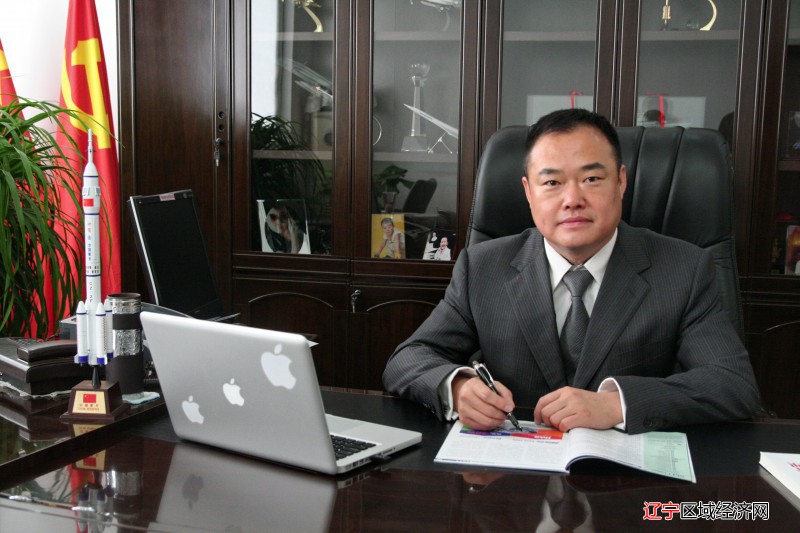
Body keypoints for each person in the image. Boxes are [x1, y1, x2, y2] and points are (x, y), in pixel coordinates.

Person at [383, 108, 760, 435]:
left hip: (625, 481)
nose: (572, 199)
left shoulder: (684, 269)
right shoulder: (483, 267)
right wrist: (458, 387)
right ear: (529, 192)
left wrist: (616, 404)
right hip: (513, 477)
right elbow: (409, 358)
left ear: (621, 181)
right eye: (552, 182)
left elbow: (732, 384)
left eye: (592, 179)